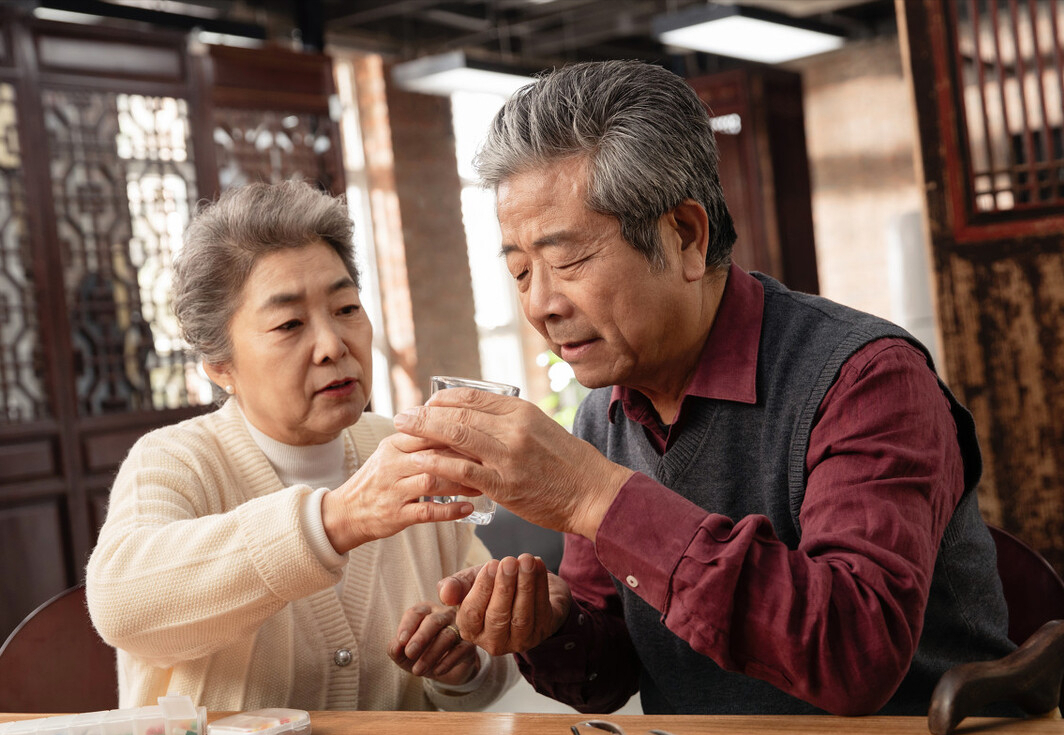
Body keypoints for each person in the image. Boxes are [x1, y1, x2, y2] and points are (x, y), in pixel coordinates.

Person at [392, 60, 1015, 716]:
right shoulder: (603, 415)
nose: (541, 303)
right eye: (519, 272)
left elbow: (854, 653)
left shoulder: (865, 378)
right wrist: (549, 625)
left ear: (685, 236)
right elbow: (610, 677)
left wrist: (593, 494)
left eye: (567, 260)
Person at [85, 181, 516, 710]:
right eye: (289, 323)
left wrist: (464, 664)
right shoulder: (176, 460)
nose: (334, 346)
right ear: (220, 366)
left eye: (346, 308)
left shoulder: (402, 450)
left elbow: (487, 642)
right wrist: (337, 520)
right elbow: (121, 604)